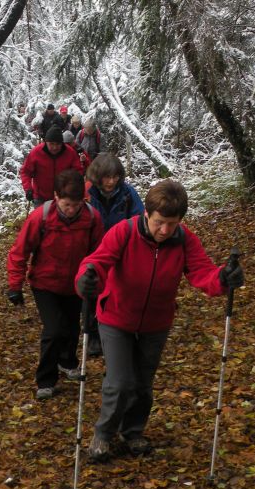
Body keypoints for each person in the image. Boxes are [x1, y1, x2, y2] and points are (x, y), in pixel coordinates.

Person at [75, 179, 244, 461]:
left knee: (142, 383)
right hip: (116, 316)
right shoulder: (124, 233)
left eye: (172, 223)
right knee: (119, 382)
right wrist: (86, 279)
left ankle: (133, 431)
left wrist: (223, 278)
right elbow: (98, 262)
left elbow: (202, 273)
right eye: (159, 222)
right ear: (146, 214)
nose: (165, 230)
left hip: (156, 321)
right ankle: (103, 435)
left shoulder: (184, 239)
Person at [7, 170, 104, 399]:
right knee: (53, 330)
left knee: (71, 326)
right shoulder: (41, 217)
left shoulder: (91, 218)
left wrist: (97, 278)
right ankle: (46, 379)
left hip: (75, 283)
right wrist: (14, 286)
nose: (71, 209)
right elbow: (20, 251)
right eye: (67, 204)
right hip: (45, 283)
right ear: (56, 197)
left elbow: (100, 252)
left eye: (76, 204)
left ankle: (67, 361)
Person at [84, 154, 145, 356]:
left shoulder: (128, 194)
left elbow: (139, 219)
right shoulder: (88, 194)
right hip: (94, 251)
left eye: (115, 177)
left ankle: (122, 332)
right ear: (98, 176)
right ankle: (93, 335)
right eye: (107, 177)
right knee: (93, 292)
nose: (111, 181)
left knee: (120, 292)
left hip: (122, 251)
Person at [20, 127, 83, 206]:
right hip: (40, 197)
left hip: (63, 196)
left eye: (58, 144)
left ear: (62, 143)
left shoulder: (70, 153)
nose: (55, 147)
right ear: (45, 142)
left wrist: (73, 188)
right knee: (41, 218)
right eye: (51, 144)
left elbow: (77, 172)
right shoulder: (36, 153)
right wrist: (28, 189)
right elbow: (25, 172)